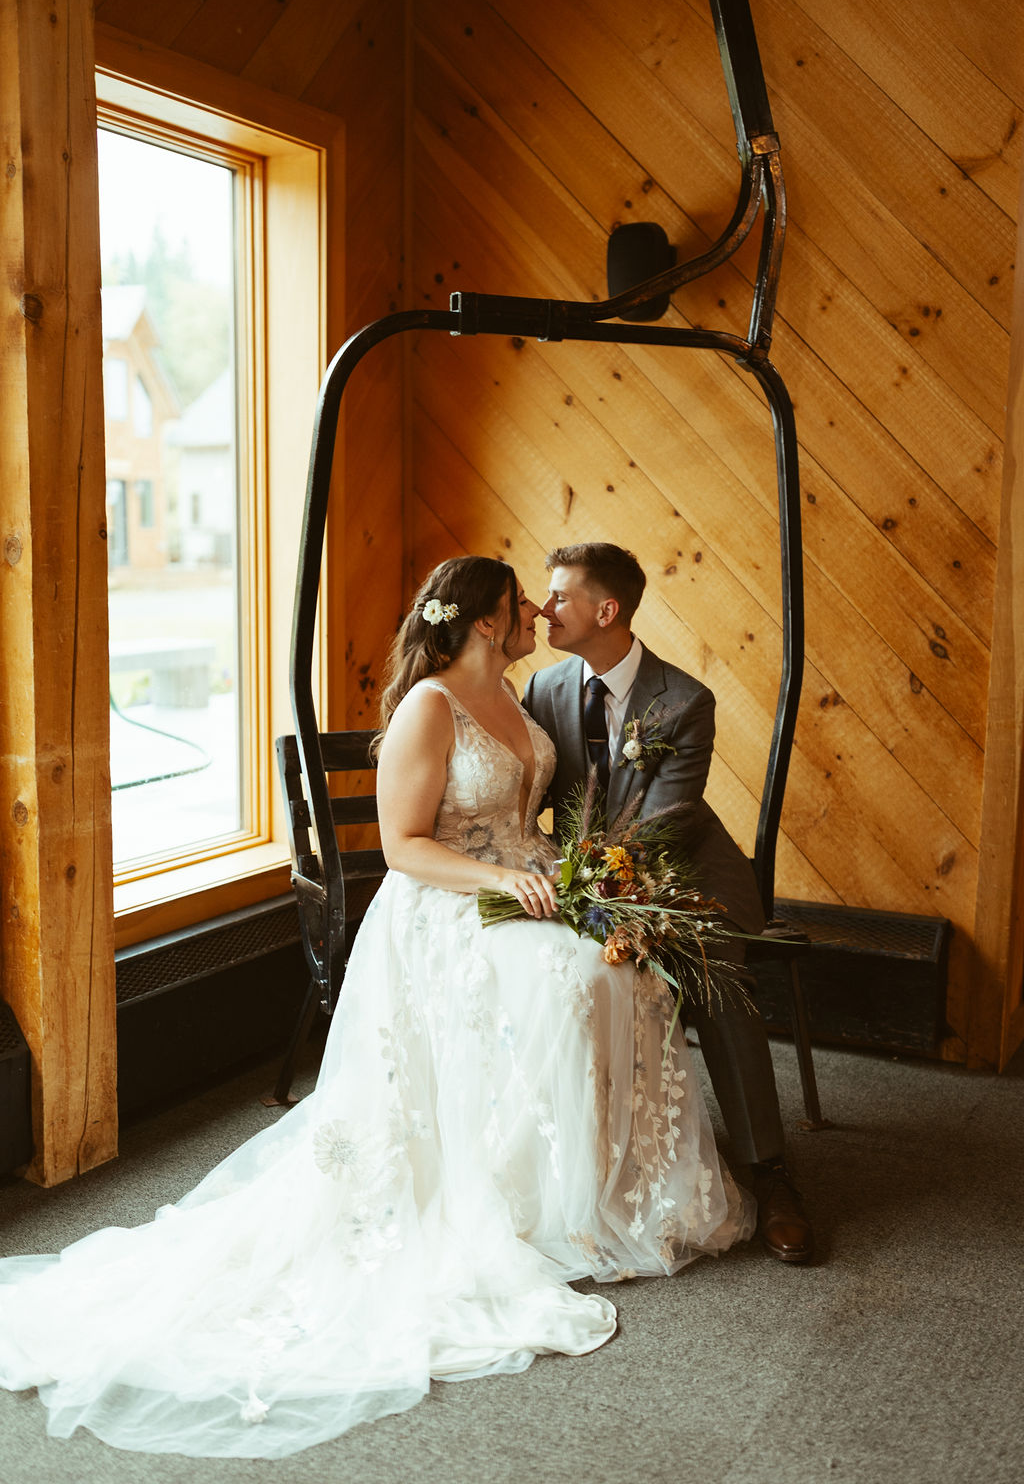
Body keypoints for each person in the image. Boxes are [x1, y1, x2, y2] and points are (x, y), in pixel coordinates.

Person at [0, 555, 754, 1462]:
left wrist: (566, 880)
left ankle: (600, 1187)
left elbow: (556, 815)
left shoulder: (524, 699)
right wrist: (506, 882)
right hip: (447, 905)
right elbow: (403, 849)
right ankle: (533, 1201)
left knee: (623, 972)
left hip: (529, 888)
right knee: (575, 982)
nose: (533, 616)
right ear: (481, 622)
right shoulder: (428, 707)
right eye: (520, 606)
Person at [522, 542, 814, 1265]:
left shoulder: (684, 701)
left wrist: (595, 889)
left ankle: (768, 1171)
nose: (546, 607)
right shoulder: (544, 690)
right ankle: (596, 1168)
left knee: (716, 973)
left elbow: (665, 821)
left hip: (683, 873)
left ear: (605, 609)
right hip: (585, 877)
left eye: (560, 596)